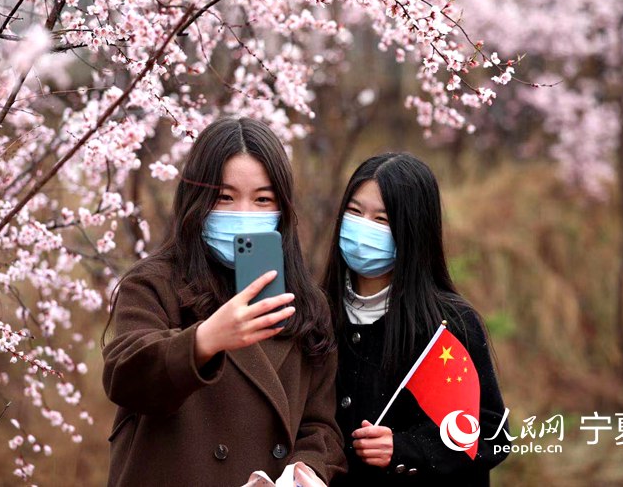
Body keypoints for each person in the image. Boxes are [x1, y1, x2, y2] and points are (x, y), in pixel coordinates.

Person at [101, 117, 346, 486]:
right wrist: (205, 340)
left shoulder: (307, 305)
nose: (244, 214)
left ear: (283, 211)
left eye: (263, 199)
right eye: (224, 197)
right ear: (196, 202)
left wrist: (307, 468)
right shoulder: (154, 283)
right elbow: (126, 378)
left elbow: (319, 424)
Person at [322, 153, 510, 486]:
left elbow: (493, 434)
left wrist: (407, 449)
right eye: (354, 211)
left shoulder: (448, 325)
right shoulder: (317, 313)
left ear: (412, 230)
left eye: (382, 219)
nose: (363, 226)